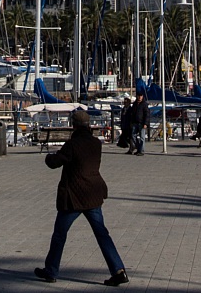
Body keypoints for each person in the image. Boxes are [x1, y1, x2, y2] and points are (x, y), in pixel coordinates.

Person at [34, 109, 129, 287]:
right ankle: (118, 270)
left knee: (60, 234)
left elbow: (55, 163)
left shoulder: (72, 144)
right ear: (89, 124)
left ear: (74, 125)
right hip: (93, 194)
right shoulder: (96, 143)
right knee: (102, 234)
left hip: (74, 197)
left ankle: (51, 271)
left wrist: (48, 157)